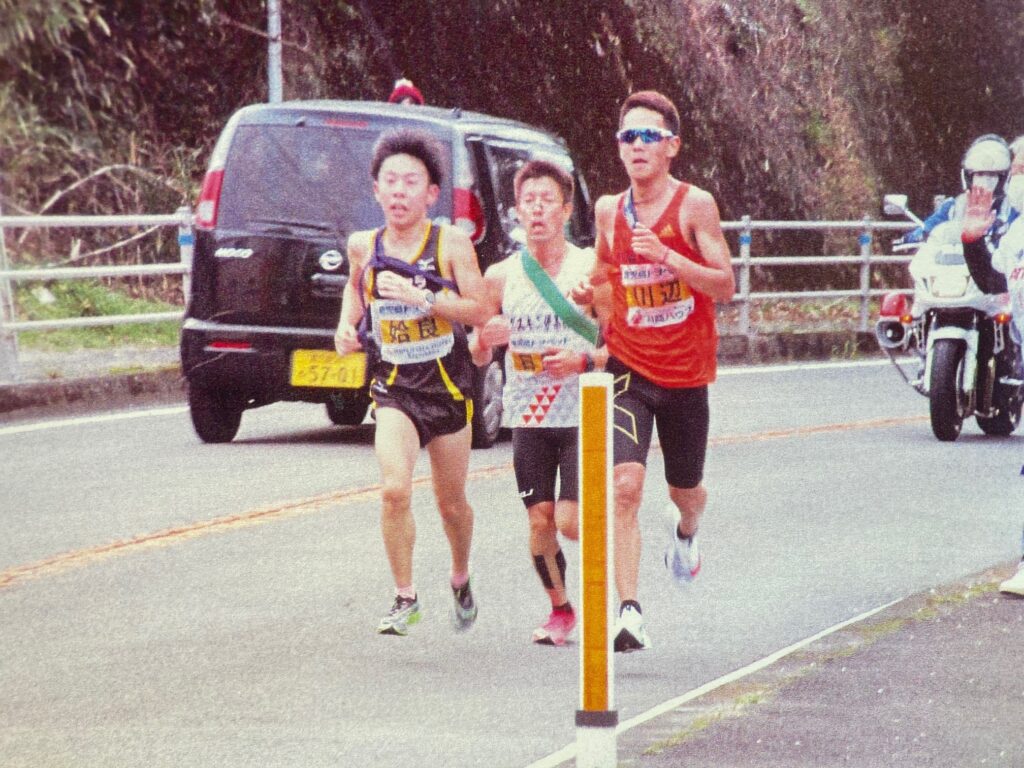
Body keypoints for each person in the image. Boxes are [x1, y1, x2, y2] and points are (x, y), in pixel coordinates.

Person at [578, 90, 735, 652]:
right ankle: (629, 610)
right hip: (628, 368)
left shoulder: (695, 206)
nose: (637, 146)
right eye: (628, 136)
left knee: (684, 491)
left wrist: (667, 257)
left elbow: (725, 284)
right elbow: (604, 273)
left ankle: (687, 534)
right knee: (625, 486)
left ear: (672, 146)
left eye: (649, 136)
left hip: (687, 374)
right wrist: (589, 295)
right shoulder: (606, 210)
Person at [334, 128, 489, 635]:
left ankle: (460, 576)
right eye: (389, 181)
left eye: (411, 182)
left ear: (431, 194)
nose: (399, 191)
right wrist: (344, 328)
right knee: (394, 490)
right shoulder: (364, 246)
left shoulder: (451, 243)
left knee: (451, 505)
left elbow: (480, 309)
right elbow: (356, 296)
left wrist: (423, 299)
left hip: (447, 388)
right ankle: (405, 596)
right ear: (375, 190)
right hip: (395, 389)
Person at [470, 160, 600, 646]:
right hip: (527, 412)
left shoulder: (589, 268)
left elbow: (616, 345)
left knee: (570, 522)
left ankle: (614, 559)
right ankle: (561, 609)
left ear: (566, 210)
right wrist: (488, 339)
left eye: (548, 200)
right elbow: (476, 350)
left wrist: (582, 361)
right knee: (540, 518)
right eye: (529, 201)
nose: (538, 209)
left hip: (582, 409)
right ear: (516, 211)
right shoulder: (501, 276)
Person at [960, 134, 1024, 598]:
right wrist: (972, 242)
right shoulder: (1019, 231)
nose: (1013, 176)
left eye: (1018, 168)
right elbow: (992, 279)